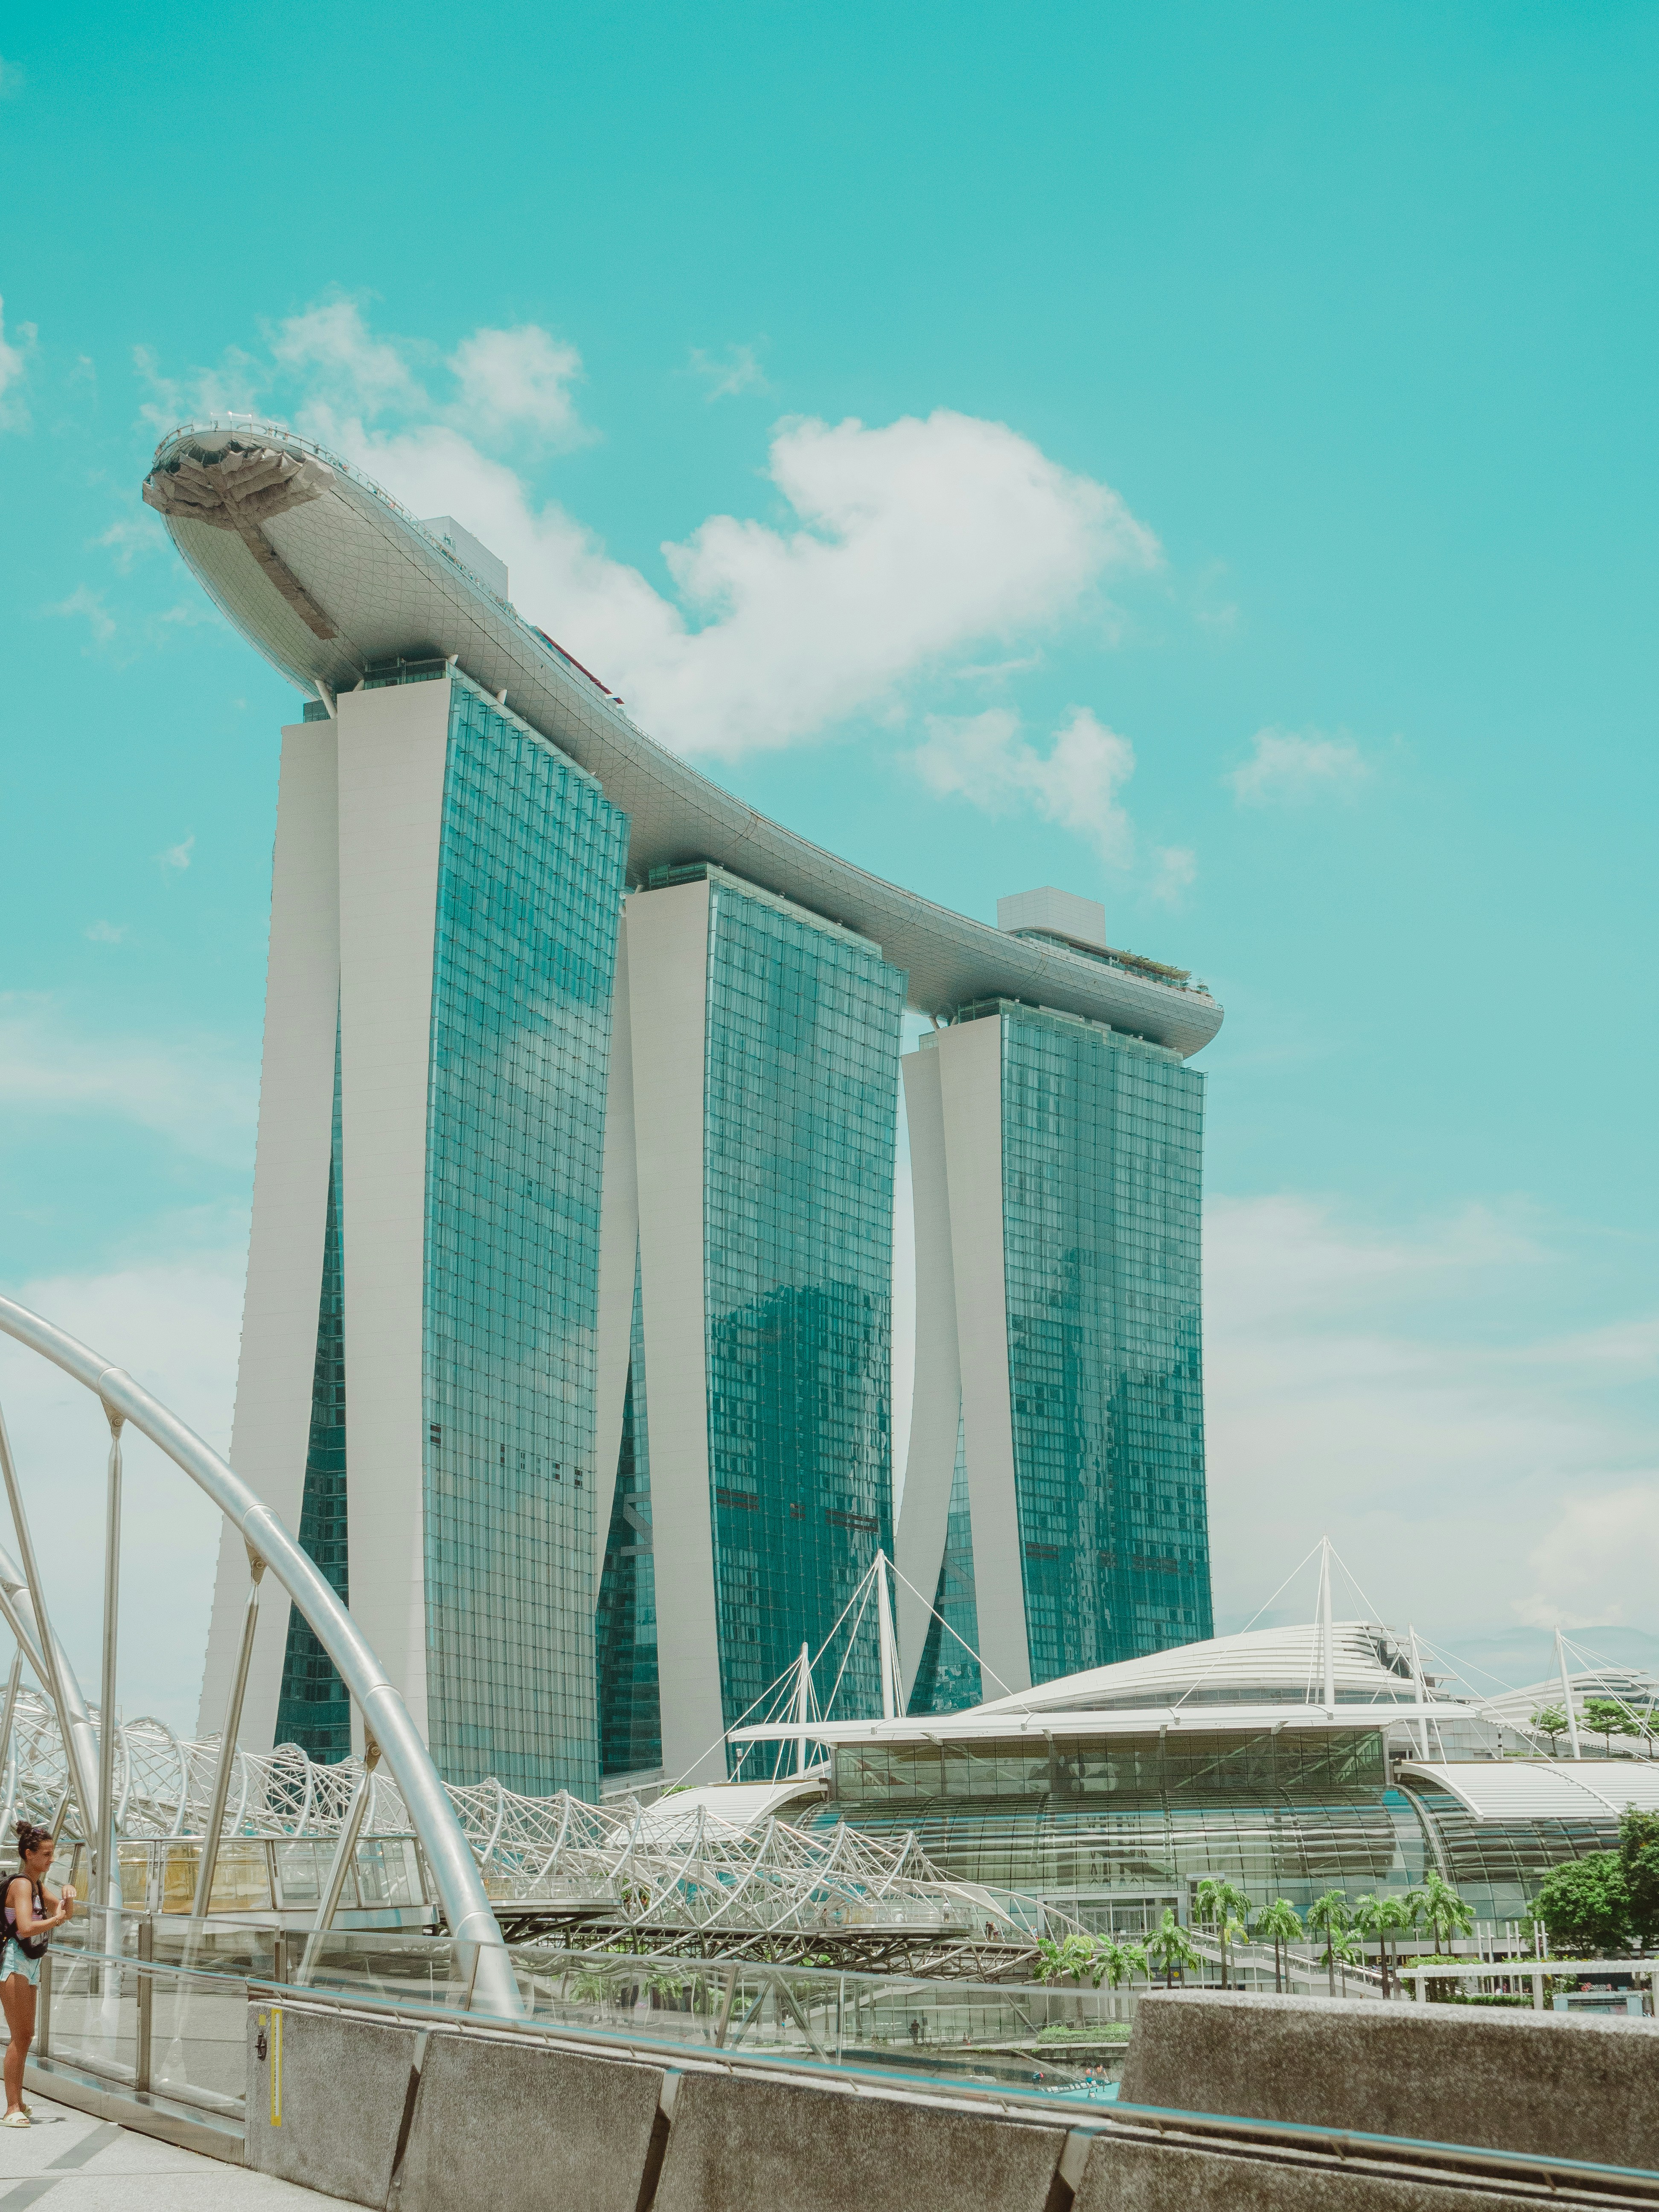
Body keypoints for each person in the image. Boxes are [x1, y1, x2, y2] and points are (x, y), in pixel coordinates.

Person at [3, 1822, 75, 2128]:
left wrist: (68, 1896)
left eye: (53, 1854)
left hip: (29, 1961)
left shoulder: (35, 1884)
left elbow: (65, 1911)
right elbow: (25, 1927)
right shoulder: (21, 1884)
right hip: (13, 1960)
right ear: (29, 1854)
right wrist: (57, 1920)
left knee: (26, 2035)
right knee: (19, 2036)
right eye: (46, 1854)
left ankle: (18, 2101)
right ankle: (11, 2108)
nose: (51, 1859)